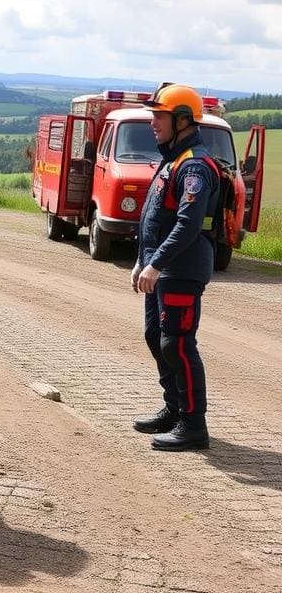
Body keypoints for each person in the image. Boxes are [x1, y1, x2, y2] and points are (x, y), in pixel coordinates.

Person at [131, 84, 218, 451]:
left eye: (159, 116)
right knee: (157, 338)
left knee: (178, 344)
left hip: (182, 268)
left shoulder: (194, 164)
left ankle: (193, 425)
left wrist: (156, 264)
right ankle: (174, 409)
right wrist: (141, 261)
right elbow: (154, 218)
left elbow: (187, 224)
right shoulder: (173, 159)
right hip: (162, 268)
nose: (153, 123)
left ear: (182, 120)